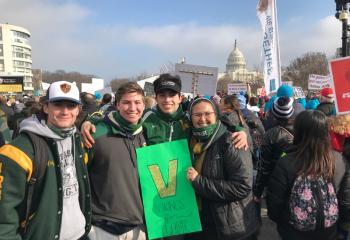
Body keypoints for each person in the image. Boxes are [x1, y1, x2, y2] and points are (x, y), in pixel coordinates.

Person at [0, 81, 91, 239]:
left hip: (81, 234)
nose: (64, 111)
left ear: (78, 110)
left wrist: (89, 123)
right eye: (57, 104)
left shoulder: (79, 140)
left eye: (71, 106)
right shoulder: (18, 150)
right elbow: (5, 218)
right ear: (46, 107)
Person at [81, 74, 248, 149]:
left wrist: (240, 131)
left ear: (180, 97)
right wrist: (90, 121)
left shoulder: (190, 119)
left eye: (172, 95)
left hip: (183, 185)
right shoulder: (145, 116)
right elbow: (115, 117)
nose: (167, 99)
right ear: (156, 97)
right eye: (162, 95)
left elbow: (216, 124)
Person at [266, 110, 350, 240]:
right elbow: (345, 201)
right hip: (329, 231)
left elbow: (274, 205)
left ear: (298, 131)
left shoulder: (286, 162)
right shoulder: (339, 160)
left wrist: (285, 225)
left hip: (293, 232)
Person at [186, 98, 259, 240]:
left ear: (216, 115)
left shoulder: (232, 141)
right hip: (198, 221)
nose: (202, 119)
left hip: (228, 226)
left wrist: (198, 181)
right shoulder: (189, 139)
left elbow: (242, 186)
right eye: (197, 115)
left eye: (208, 113)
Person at [87, 82, 147, 240]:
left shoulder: (144, 133)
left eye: (137, 102)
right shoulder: (95, 134)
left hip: (140, 227)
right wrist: (87, 123)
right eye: (126, 102)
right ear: (117, 105)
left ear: (144, 104)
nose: (133, 108)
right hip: (105, 227)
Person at [254, 96, 295, 200]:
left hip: (277, 182)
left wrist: (257, 192)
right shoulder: (303, 128)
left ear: (273, 113)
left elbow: (264, 167)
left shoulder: (270, 135)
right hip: (298, 181)